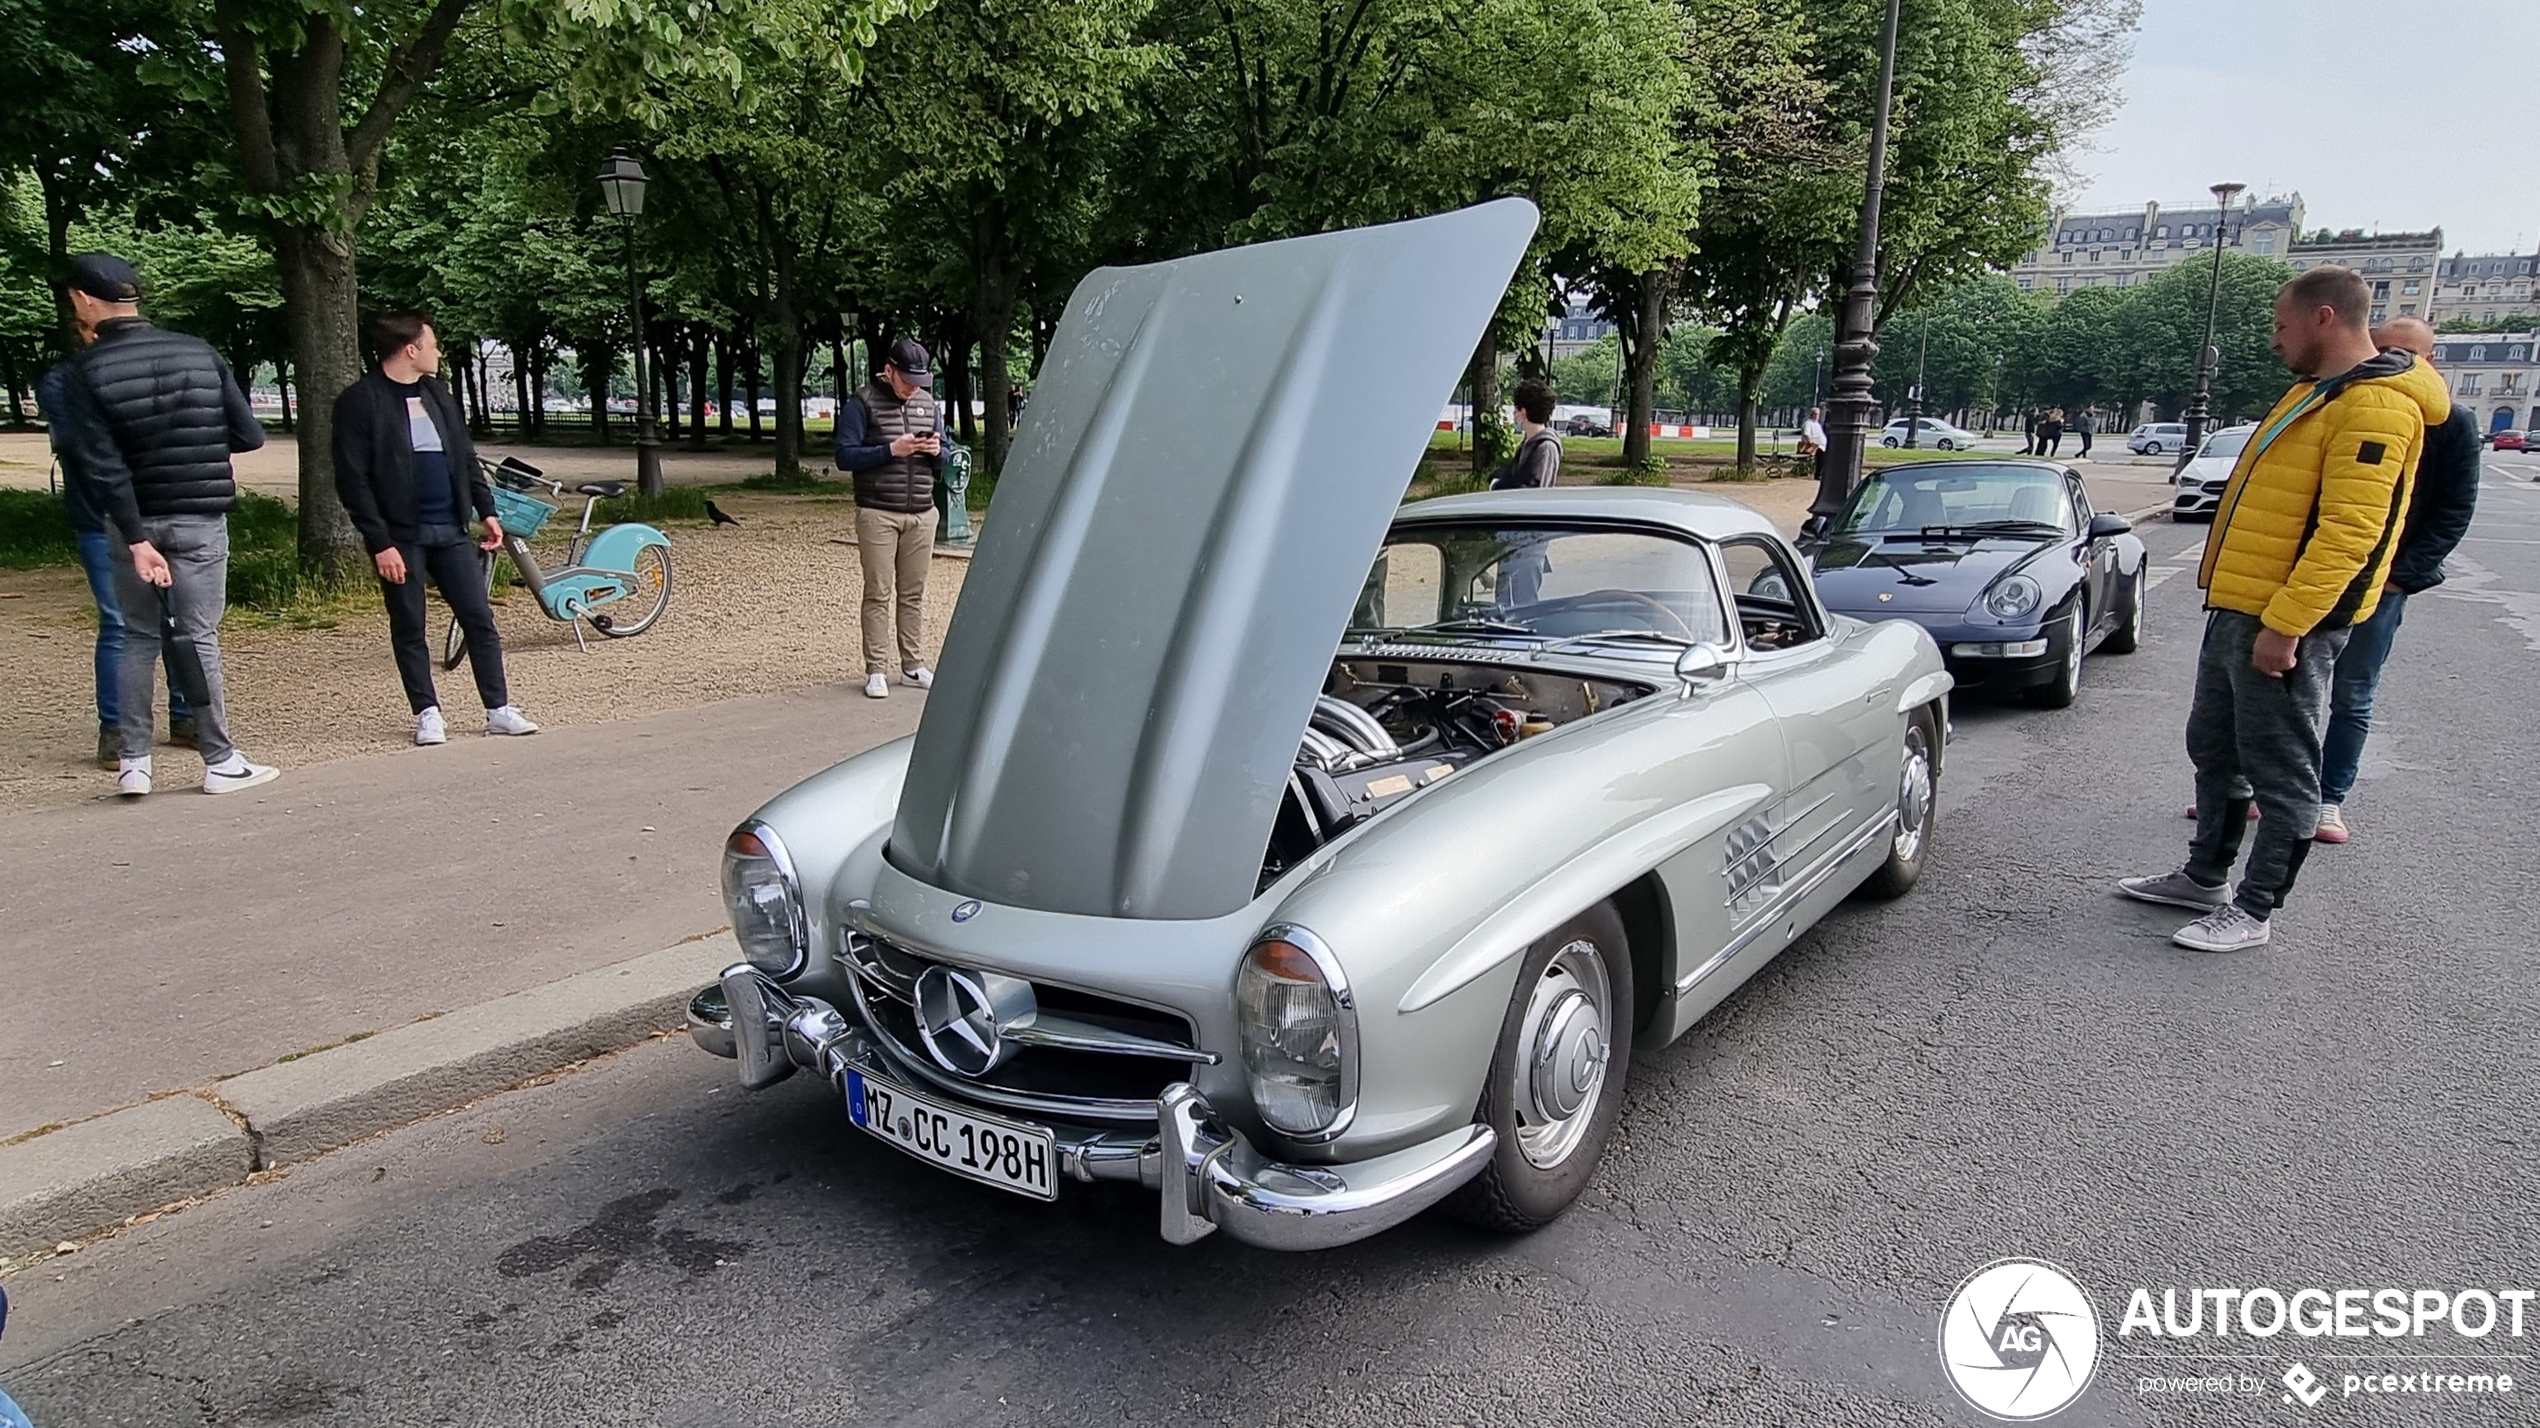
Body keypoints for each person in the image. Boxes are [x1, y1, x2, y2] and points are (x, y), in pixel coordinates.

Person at [2119, 266, 2448, 952]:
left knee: (2282, 767)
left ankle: (2254, 909)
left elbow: (2349, 532)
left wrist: (2288, 623)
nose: (2275, 339)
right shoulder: (2316, 393)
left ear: (2323, 318)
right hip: (2240, 605)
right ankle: (2204, 876)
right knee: (2214, 747)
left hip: (2282, 619)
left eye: (2281, 324)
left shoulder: (2376, 406)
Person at [52, 252, 278, 798]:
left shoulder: (83, 373)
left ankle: (134, 761)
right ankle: (219, 760)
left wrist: (135, 538)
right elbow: (249, 435)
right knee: (199, 636)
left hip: (131, 524)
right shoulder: (198, 352)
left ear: (84, 299)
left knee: (135, 637)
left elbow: (101, 465)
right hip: (200, 516)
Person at [333, 310, 538, 744]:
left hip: (450, 529)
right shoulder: (360, 401)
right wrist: (380, 542)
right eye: (432, 343)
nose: (438, 351)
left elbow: (465, 458)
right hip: (400, 536)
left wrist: (487, 511)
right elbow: (353, 480)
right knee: (409, 624)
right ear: (411, 350)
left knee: (479, 618)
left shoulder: (438, 394)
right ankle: (427, 712)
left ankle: (497, 708)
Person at [2312, 317, 2479, 844]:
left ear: (2430, 361)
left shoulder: (2451, 423)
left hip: (2381, 582)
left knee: (2353, 694)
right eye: (2383, 349)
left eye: (2407, 353)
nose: (2393, 360)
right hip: (2316, 571)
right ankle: (2261, 788)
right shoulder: (2338, 402)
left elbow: (2454, 510)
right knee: (2278, 685)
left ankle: (2327, 800)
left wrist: (2400, 578)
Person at [38, 357, 191, 769]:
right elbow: (84, 445)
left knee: (176, 616)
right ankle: (118, 729)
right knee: (121, 622)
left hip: (163, 510)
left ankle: (187, 714)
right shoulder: (64, 379)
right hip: (102, 518)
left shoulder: (149, 367)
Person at [835, 337, 945, 699]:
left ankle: (912, 665)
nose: (914, 388)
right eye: (907, 380)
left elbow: (945, 456)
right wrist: (890, 450)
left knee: (913, 594)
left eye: (920, 381)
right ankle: (876, 669)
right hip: (878, 511)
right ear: (889, 371)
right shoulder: (861, 402)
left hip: (921, 512)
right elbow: (845, 456)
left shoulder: (928, 405)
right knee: (879, 592)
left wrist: (936, 451)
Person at [1490, 379, 1563, 490]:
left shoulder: (1546, 447)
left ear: (1523, 412)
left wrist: (1498, 485)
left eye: (1516, 409)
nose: (1514, 413)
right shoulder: (1529, 441)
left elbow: (1536, 491)